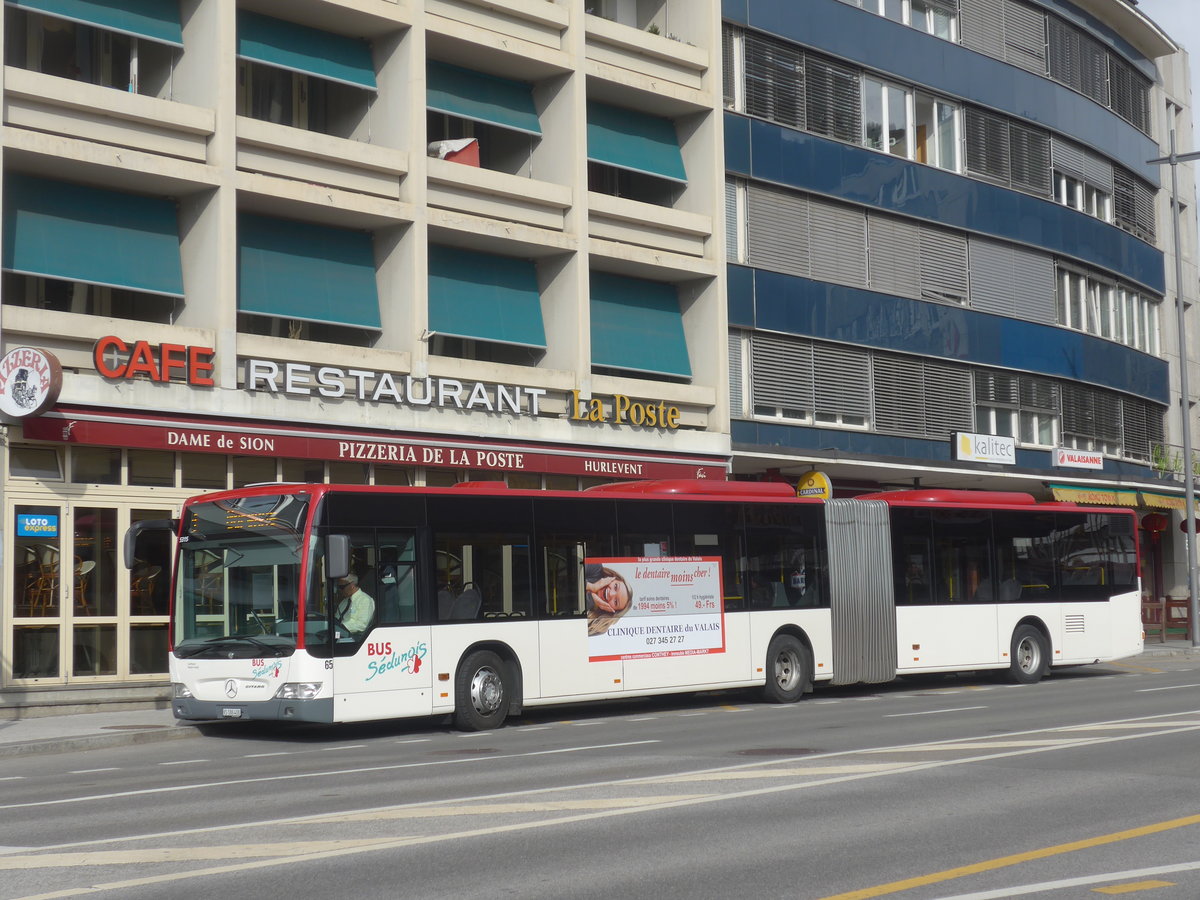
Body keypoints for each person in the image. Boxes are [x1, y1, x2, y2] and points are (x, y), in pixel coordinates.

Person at [584, 563, 633, 636]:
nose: (611, 594)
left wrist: (591, 600)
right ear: (613, 578)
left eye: (616, 602)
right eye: (616, 586)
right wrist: (591, 587)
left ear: (612, 611)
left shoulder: (597, 627)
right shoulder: (595, 567)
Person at [335, 572, 374, 636]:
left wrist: (341, 627)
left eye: (342, 587)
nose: (340, 590)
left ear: (352, 585)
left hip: (354, 637)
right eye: (339, 587)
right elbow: (336, 619)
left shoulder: (365, 600)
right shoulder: (343, 602)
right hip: (339, 635)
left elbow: (362, 624)